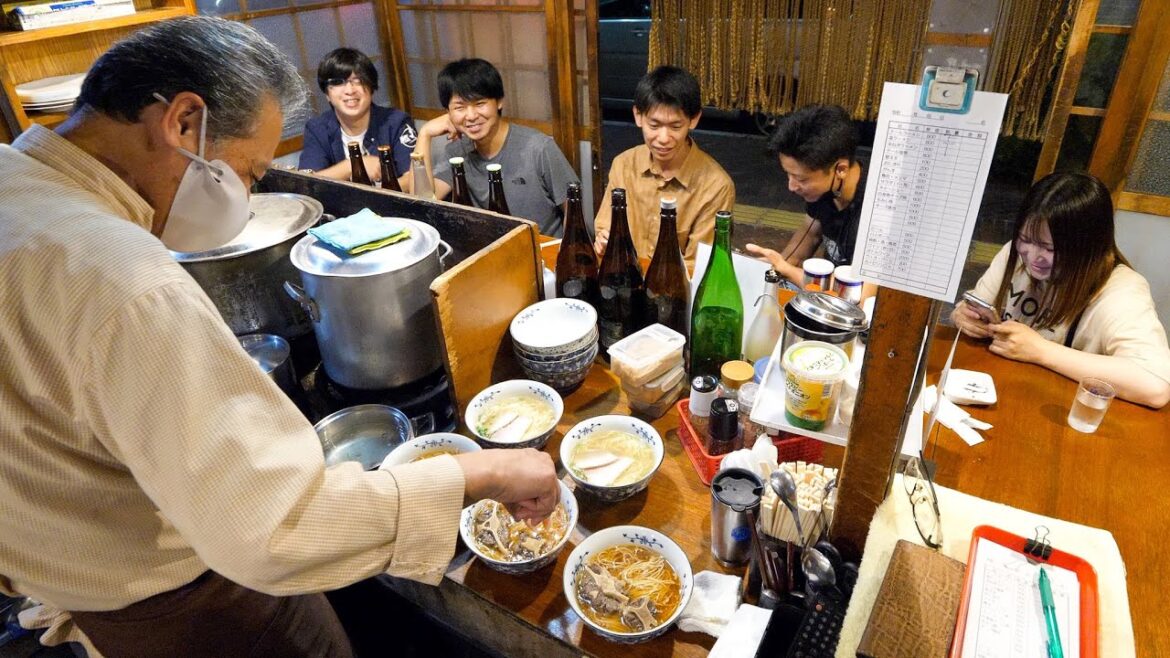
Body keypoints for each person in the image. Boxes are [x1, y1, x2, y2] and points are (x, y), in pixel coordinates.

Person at [0, 16, 558, 656]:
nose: (246, 191)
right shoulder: (122, 276)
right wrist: (477, 473)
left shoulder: (13, 183)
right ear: (182, 122)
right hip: (194, 609)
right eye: (248, 169)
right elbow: (276, 524)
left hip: (86, 586)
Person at [951, 172, 1170, 409]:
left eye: (1049, 248)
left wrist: (1041, 351)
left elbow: (1155, 387)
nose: (1033, 257)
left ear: (1089, 248)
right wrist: (964, 316)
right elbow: (978, 304)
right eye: (1025, 238)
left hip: (1060, 409)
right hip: (1001, 393)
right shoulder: (1014, 256)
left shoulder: (1121, 291)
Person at [416, 58, 579, 237]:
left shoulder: (538, 148)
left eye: (480, 104)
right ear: (448, 112)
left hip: (540, 250)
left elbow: (574, 211)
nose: (470, 116)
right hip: (488, 250)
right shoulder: (456, 152)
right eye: (459, 107)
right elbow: (421, 205)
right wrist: (425, 135)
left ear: (499, 102)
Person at [592, 65, 734, 268]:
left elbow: (699, 266)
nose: (663, 138)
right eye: (654, 125)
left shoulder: (716, 186)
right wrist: (604, 240)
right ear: (638, 116)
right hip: (622, 279)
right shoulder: (624, 164)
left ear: (694, 120)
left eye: (676, 127)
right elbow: (604, 225)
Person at [745, 104, 865, 287]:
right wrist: (774, 268)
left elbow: (862, 294)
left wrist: (788, 271)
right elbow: (810, 235)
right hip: (824, 292)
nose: (791, 186)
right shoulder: (827, 190)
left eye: (801, 179)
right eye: (788, 174)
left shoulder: (874, 213)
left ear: (840, 169)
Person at [298, 47, 415, 188]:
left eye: (358, 81)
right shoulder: (317, 129)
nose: (350, 90)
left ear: (372, 87)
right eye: (338, 82)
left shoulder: (396, 122)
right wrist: (352, 166)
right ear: (327, 94)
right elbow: (305, 182)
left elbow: (412, 179)